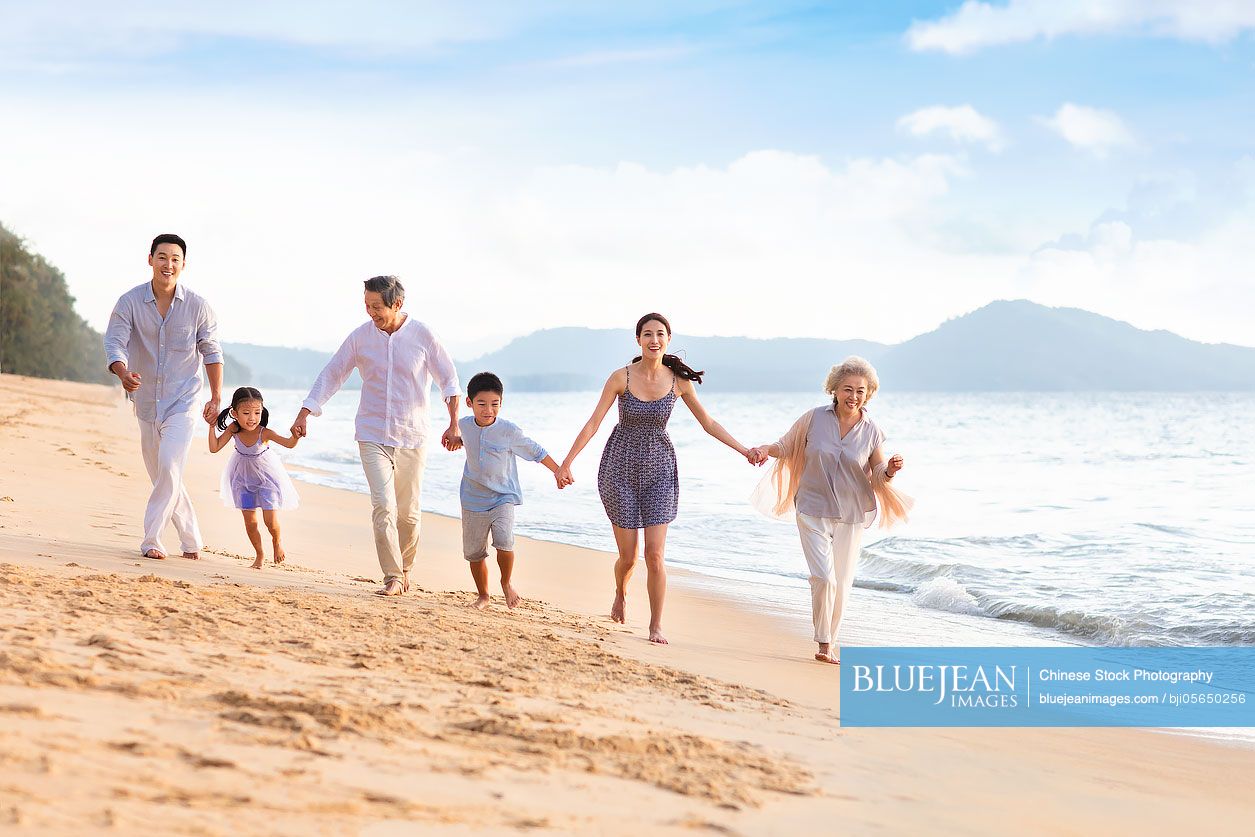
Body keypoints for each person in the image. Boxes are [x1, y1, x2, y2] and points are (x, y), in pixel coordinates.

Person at [555, 313, 761, 645]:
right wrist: (566, 463)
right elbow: (594, 423)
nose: (654, 340)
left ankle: (655, 625)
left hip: (660, 471)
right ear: (638, 340)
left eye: (660, 334)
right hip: (619, 468)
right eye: (647, 334)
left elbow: (708, 423)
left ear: (668, 339)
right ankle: (620, 591)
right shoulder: (620, 378)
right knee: (629, 557)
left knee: (654, 554)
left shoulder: (679, 382)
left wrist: (744, 450)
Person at [291, 275, 461, 597]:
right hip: (371, 432)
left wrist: (454, 424)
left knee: (408, 514)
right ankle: (393, 577)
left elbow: (449, 381)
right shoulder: (360, 338)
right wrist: (305, 412)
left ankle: (406, 569)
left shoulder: (423, 336)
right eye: (367, 306)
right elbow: (332, 373)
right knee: (383, 506)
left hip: (412, 435)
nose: (371, 313)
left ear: (397, 304)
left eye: (377, 306)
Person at [749, 356, 912, 666]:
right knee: (824, 578)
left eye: (860, 391)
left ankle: (829, 645)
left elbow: (876, 474)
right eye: (847, 389)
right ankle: (823, 640)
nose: (853, 396)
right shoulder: (813, 419)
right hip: (811, 507)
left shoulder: (872, 431)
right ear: (834, 389)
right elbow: (785, 447)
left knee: (842, 581)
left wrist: (889, 470)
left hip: (851, 513)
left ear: (869, 394)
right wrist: (764, 449)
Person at [104, 233, 222, 561]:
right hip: (144, 402)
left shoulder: (198, 307)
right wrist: (122, 372)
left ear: (183, 265)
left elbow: (212, 352)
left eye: (175, 259)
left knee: (169, 464)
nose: (168, 264)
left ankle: (152, 539)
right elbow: (114, 341)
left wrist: (215, 397)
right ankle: (191, 538)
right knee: (162, 473)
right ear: (150, 259)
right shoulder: (129, 302)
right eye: (162, 257)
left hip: (184, 400)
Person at [457, 372, 563, 610]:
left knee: (504, 540)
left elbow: (536, 451)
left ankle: (506, 582)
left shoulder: (509, 431)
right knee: (475, 553)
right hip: (472, 498)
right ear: (469, 403)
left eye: (495, 404)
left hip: (502, 497)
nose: (488, 410)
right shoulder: (463, 425)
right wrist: (454, 438)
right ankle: (483, 595)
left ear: (501, 403)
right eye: (482, 404)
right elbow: (458, 435)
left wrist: (558, 470)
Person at [208, 386, 301, 569]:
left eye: (257, 412)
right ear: (234, 413)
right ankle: (259, 555)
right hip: (243, 481)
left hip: (267, 480)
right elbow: (214, 447)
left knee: (270, 521)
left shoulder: (263, 432)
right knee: (250, 523)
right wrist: (211, 427)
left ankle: (277, 541)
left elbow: (289, 444)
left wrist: (296, 436)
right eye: (246, 413)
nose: (252, 418)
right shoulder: (234, 429)